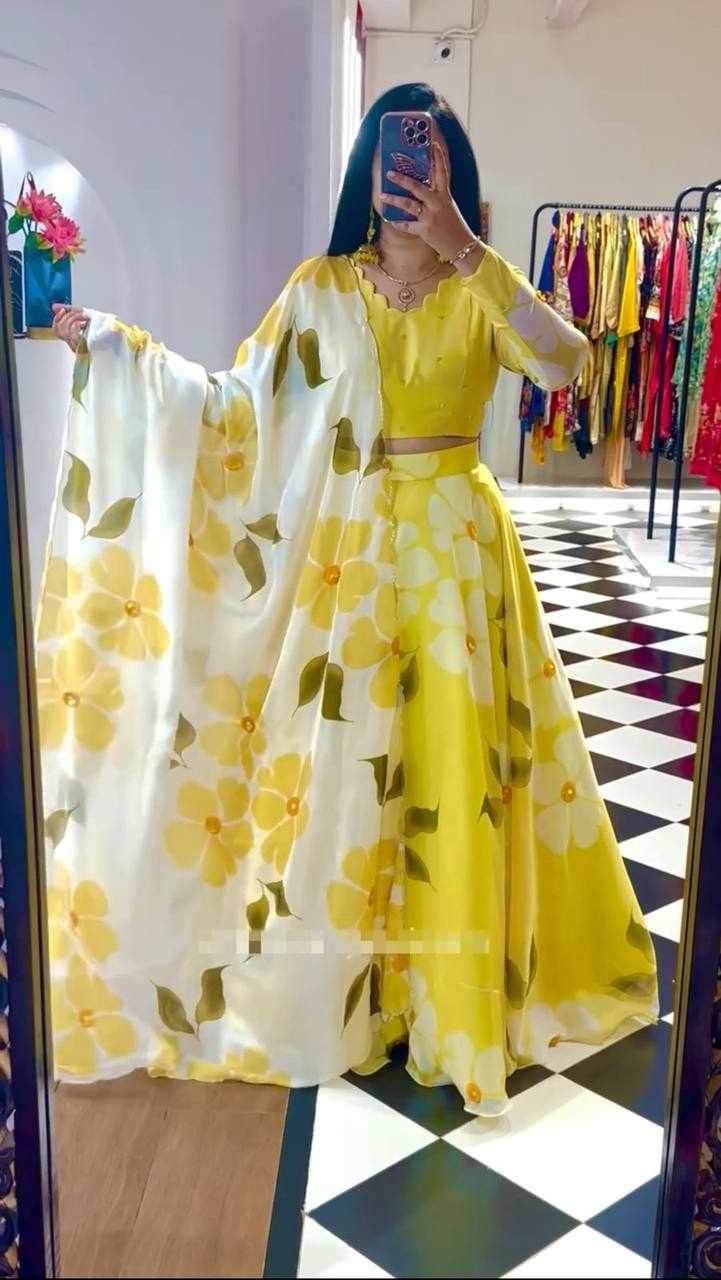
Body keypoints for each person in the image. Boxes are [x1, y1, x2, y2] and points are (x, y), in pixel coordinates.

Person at [46, 83, 657, 1115]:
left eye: (426, 154)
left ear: (450, 168)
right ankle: (355, 989)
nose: (405, 171)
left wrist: (466, 247)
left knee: (451, 770)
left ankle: (451, 996)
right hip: (349, 559)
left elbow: (566, 365)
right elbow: (233, 409)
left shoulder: (479, 282)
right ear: (366, 172)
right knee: (344, 780)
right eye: (391, 153)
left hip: (457, 559)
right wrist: (119, 352)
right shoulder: (320, 288)